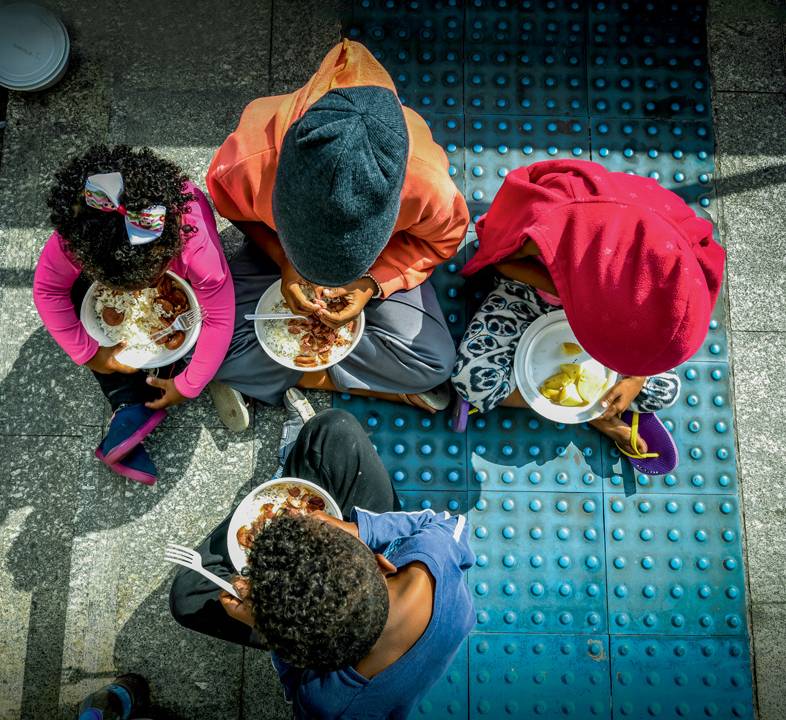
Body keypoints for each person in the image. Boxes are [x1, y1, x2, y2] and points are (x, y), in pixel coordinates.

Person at [205, 39, 469, 428]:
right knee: (207, 344)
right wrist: (282, 259)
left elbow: (442, 241)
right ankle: (374, 383)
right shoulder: (247, 160)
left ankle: (283, 379)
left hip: (379, 267)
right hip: (275, 256)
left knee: (434, 362)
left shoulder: (427, 185)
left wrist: (371, 283)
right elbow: (235, 211)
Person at [169, 405, 475, 719]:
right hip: (348, 597)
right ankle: (298, 481)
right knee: (334, 428)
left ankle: (288, 473)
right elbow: (449, 523)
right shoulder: (434, 558)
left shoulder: (329, 705)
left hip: (312, 635)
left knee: (188, 597)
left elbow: (295, 672)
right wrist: (359, 529)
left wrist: (262, 623)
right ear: (382, 562)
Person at [452, 159, 726, 475]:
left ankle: (588, 404)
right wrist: (570, 293)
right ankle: (595, 414)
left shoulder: (666, 254)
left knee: (664, 387)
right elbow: (504, 260)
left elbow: (666, 316)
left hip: (604, 307)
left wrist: (636, 376)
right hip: (528, 291)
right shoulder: (550, 219)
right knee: (472, 383)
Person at [33, 145, 235, 484]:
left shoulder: (196, 247)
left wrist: (188, 386)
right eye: (121, 286)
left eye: (146, 282)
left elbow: (220, 316)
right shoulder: (79, 237)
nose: (132, 295)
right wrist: (90, 354)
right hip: (114, 254)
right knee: (74, 300)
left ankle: (131, 404)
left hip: (187, 277)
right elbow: (47, 290)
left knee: (195, 333)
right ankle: (134, 404)